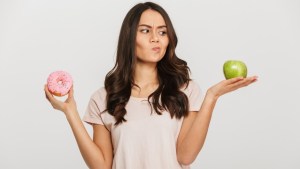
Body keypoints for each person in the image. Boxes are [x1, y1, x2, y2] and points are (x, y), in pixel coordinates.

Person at [44, 2, 257, 169]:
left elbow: (186, 155)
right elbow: (102, 166)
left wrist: (211, 96)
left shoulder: (186, 90)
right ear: (129, 37)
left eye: (163, 32)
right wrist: (70, 112)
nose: (156, 38)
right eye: (145, 31)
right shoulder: (103, 98)